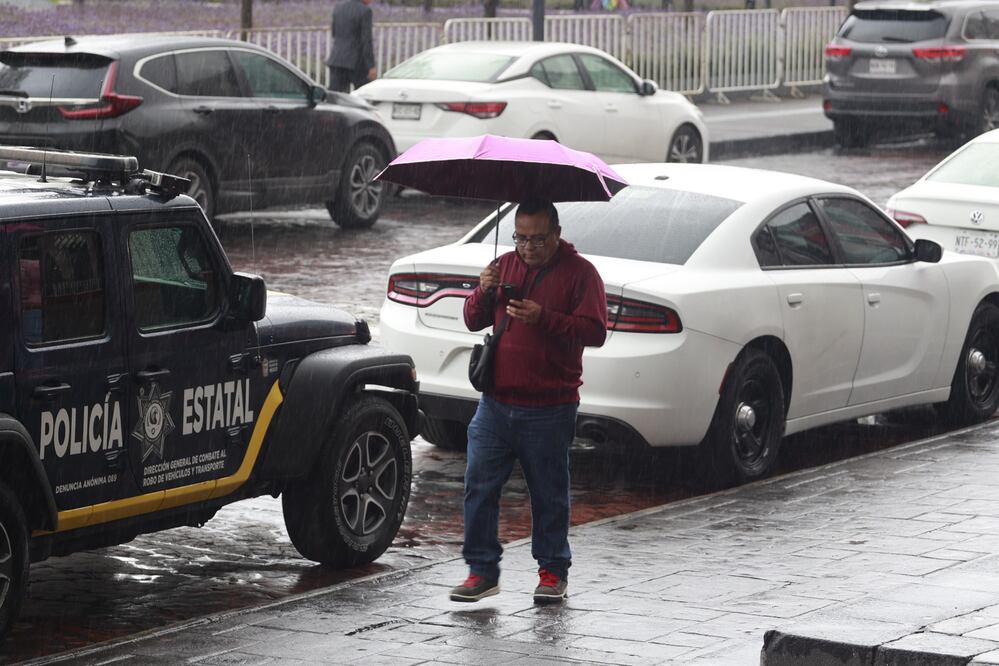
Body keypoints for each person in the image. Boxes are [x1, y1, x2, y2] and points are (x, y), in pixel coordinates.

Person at [450, 198, 607, 605]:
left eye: (538, 239)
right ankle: (481, 571)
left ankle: (553, 571)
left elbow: (595, 330)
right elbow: (472, 319)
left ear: (557, 234)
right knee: (478, 485)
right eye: (521, 238)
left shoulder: (581, 274)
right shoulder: (504, 265)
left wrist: (545, 318)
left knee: (548, 492)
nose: (528, 248)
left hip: (550, 407)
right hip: (496, 403)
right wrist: (482, 291)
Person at [326, 0, 376, 93]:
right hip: (356, 62)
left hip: (337, 59)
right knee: (365, 95)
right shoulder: (365, 11)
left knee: (336, 98)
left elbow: (334, 33)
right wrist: (371, 66)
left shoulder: (338, 7)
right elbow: (366, 41)